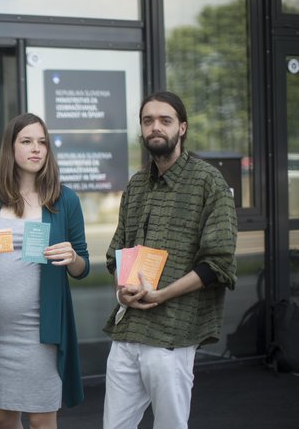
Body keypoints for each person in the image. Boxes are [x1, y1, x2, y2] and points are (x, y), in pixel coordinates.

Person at [102, 91, 237, 429]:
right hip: (128, 327)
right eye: (148, 121)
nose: (155, 127)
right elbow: (117, 249)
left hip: (173, 333)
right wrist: (121, 289)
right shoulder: (136, 185)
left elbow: (217, 262)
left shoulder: (208, 182)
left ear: (183, 128)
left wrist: (162, 294)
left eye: (165, 120)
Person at [0, 113, 90, 429]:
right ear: (11, 148)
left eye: (42, 142)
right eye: (27, 141)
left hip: (43, 330)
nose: (36, 149)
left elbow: (83, 268)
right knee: (3, 417)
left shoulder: (65, 199)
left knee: (40, 417)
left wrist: (72, 256)